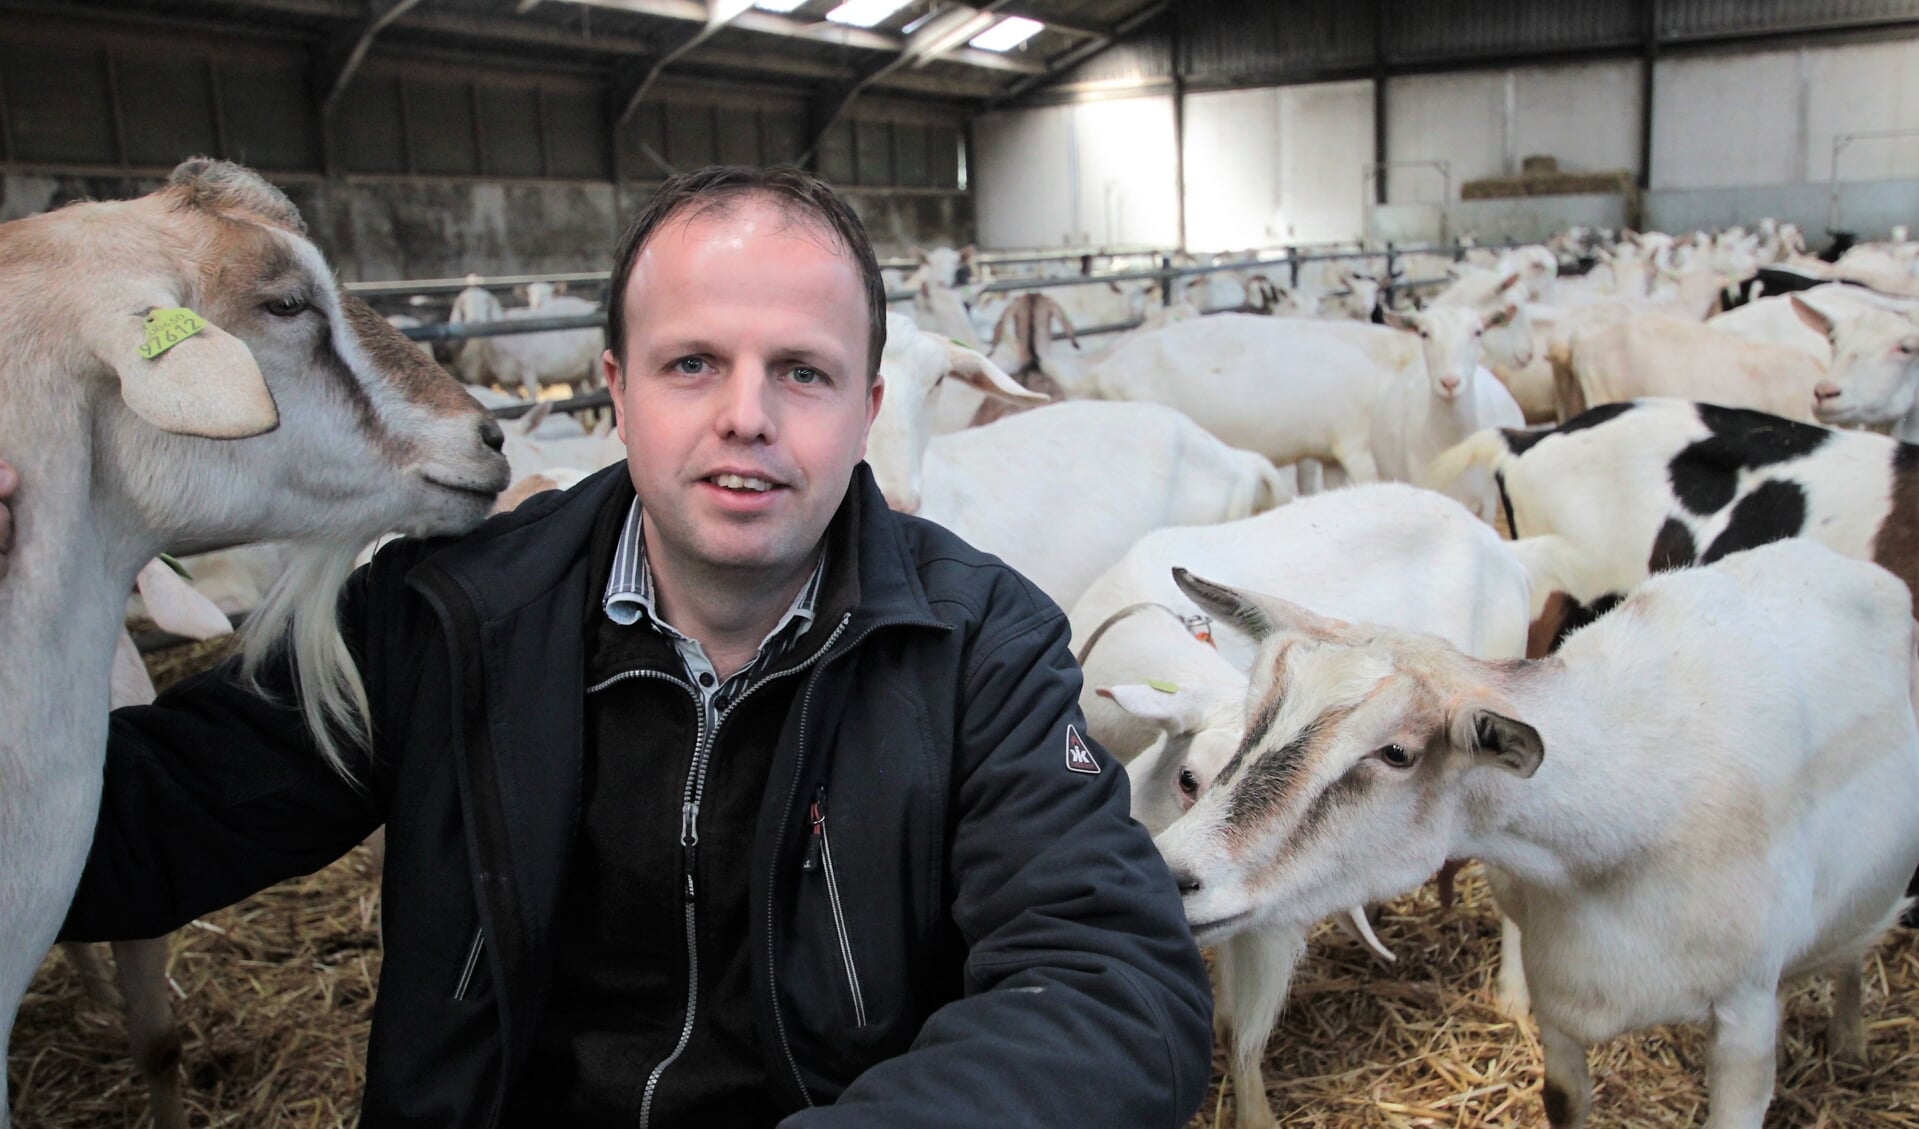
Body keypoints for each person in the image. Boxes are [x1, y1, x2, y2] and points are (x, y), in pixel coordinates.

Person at [15, 166, 1214, 1126]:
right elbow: (118, 840)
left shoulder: (976, 647)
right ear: (617, 391)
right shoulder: (444, 620)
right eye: (692, 363)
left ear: (866, 408)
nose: (745, 413)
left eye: (801, 371)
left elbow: (1113, 987)